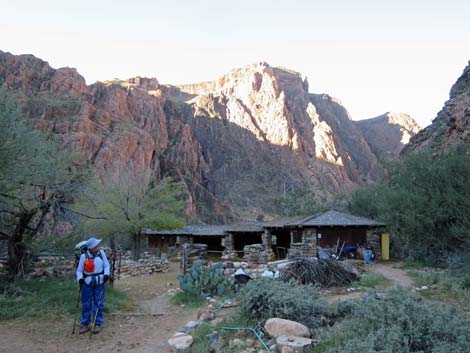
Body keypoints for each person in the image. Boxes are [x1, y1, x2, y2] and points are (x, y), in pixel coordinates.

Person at [76, 237, 110, 334]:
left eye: (97, 245)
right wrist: (80, 278)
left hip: (100, 282)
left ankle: (97, 323)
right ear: (91, 248)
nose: (98, 247)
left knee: (98, 303)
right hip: (87, 283)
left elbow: (106, 265)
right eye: (96, 246)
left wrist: (106, 274)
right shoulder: (84, 256)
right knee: (86, 304)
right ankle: (85, 323)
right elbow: (79, 270)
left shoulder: (101, 253)